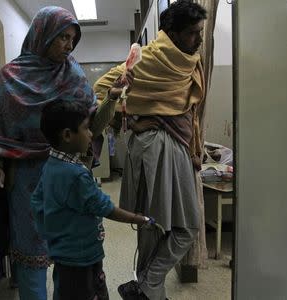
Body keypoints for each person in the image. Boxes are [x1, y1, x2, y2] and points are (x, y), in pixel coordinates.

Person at [0, 6, 133, 300]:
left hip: (70, 177)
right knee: (32, 259)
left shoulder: (74, 74)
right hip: (27, 181)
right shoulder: (8, 79)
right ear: (42, 35)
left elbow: (92, 126)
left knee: (76, 255)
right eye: (62, 37)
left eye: (72, 39)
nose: (68, 45)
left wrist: (112, 99)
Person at [93, 1, 208, 299]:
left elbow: (189, 110)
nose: (199, 39)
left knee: (178, 226)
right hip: (152, 146)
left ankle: (145, 284)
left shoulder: (191, 59)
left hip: (177, 144)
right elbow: (100, 89)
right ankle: (149, 289)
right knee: (155, 226)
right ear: (173, 33)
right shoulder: (148, 57)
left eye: (201, 32)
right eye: (193, 33)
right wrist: (127, 116)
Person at [31, 100, 154, 300]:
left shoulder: (51, 165)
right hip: (81, 257)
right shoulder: (75, 175)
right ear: (68, 135)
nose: (90, 134)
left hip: (63, 254)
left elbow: (36, 202)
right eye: (86, 128)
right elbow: (105, 207)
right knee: (87, 293)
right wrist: (139, 218)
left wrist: (52, 233)